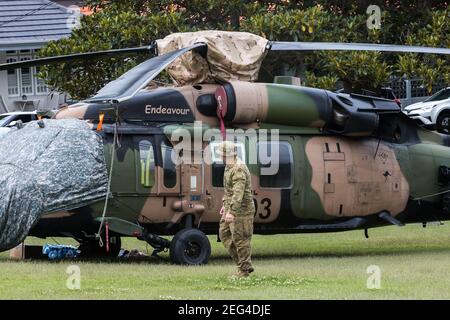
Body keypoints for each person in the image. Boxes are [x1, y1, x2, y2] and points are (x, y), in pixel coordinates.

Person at [217, 141, 255, 277]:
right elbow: (230, 191)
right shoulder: (229, 166)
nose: (220, 157)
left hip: (242, 210)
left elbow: (238, 193)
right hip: (231, 207)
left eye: (222, 154)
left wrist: (231, 212)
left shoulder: (238, 168)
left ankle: (244, 271)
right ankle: (243, 265)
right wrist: (225, 205)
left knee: (241, 240)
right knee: (224, 234)